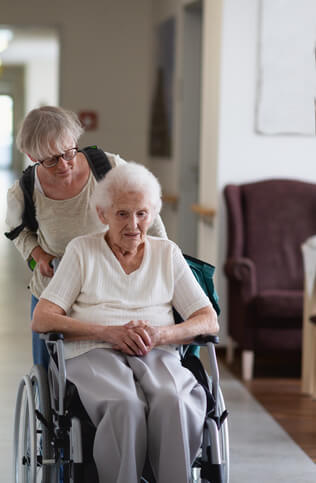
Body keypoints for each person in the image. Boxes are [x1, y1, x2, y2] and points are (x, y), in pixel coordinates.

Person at [32, 162, 219, 483]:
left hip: (157, 349)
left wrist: (161, 334)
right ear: (102, 214)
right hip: (93, 351)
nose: (133, 224)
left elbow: (207, 319)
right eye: (122, 214)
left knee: (173, 400)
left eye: (142, 214)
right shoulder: (82, 250)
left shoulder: (167, 253)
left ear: (153, 214)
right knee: (124, 404)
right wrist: (108, 332)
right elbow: (43, 317)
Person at [5, 106, 167, 367]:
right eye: (50, 159)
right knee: (51, 374)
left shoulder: (110, 169)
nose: (64, 165)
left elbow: (149, 219)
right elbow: (19, 232)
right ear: (30, 155)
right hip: (56, 292)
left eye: (69, 153)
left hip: (111, 288)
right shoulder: (23, 191)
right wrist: (38, 257)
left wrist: (163, 260)